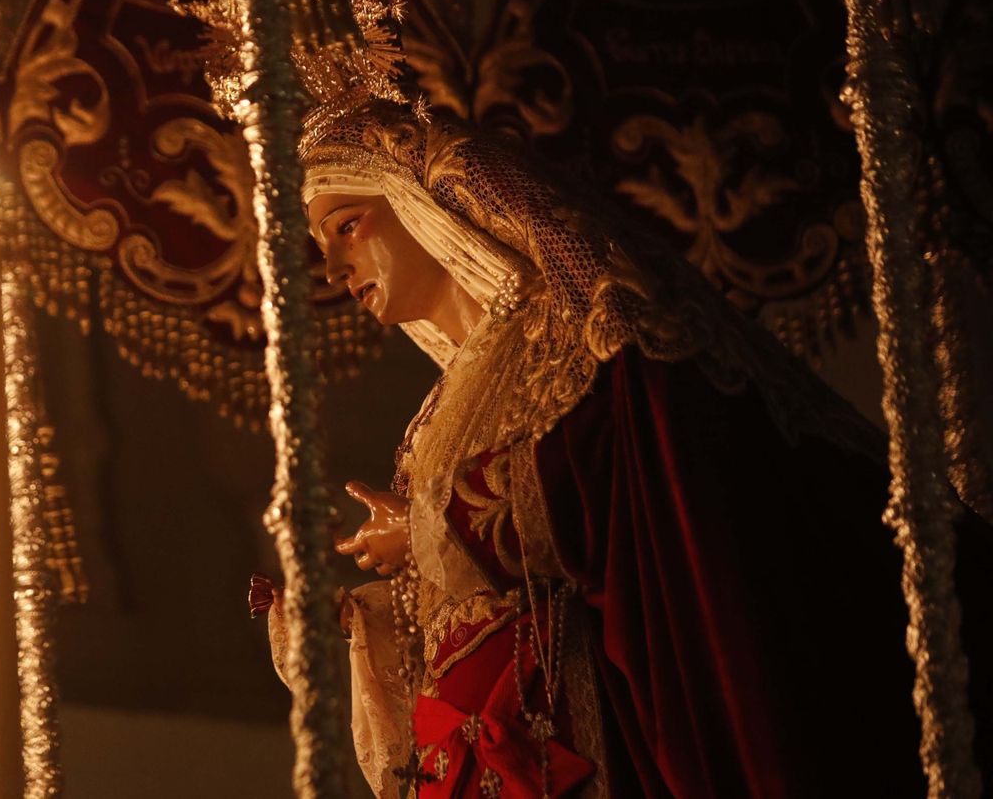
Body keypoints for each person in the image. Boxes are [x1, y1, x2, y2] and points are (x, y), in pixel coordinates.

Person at [264, 98, 932, 798]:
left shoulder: (567, 337)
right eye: (323, 245)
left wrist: (429, 523)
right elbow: (455, 611)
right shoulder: (435, 411)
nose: (334, 267)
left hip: (577, 741)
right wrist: (359, 622)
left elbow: (615, 476)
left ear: (421, 207)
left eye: (347, 226)